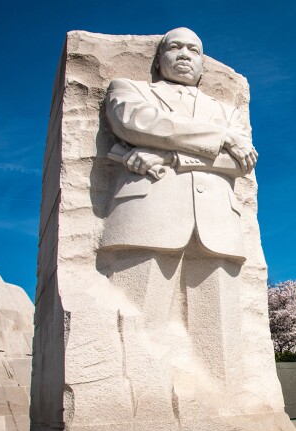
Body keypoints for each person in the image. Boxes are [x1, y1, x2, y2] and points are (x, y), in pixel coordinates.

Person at [100, 28, 260, 401]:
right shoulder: (130, 89)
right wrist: (219, 138)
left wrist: (167, 155)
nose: (185, 54)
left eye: (194, 49)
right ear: (159, 59)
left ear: (203, 64)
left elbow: (240, 164)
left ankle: (226, 412)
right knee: (139, 326)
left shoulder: (229, 111)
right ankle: (140, 412)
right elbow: (134, 123)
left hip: (218, 223)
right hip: (148, 214)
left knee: (221, 340)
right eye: (175, 47)